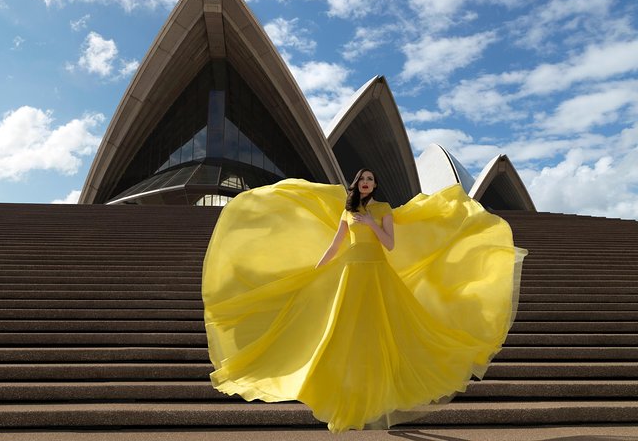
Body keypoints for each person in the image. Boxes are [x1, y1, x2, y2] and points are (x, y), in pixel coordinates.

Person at [202, 169, 526, 433]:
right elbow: (335, 246)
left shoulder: (383, 210)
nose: (367, 183)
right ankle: (347, 400)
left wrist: (371, 223)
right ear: (357, 185)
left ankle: (376, 401)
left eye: (371, 180)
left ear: (375, 185)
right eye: (362, 180)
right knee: (345, 337)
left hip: (378, 275)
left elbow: (389, 245)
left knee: (380, 337)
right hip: (351, 275)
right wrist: (313, 273)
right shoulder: (347, 211)